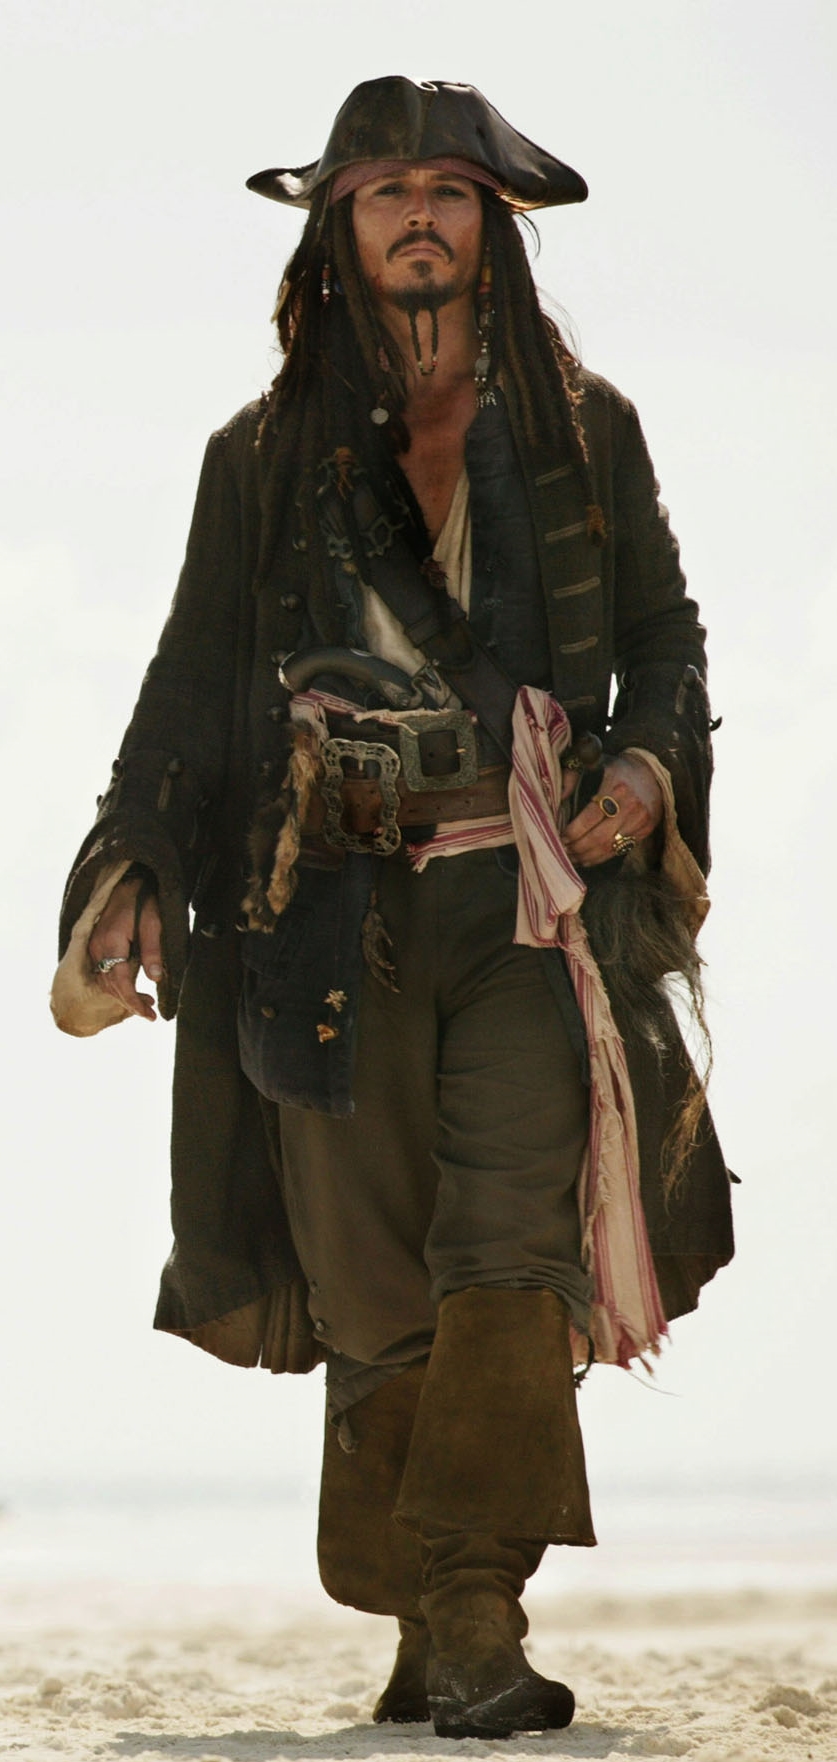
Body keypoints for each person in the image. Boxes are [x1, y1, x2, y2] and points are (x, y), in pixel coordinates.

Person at [53, 77, 734, 1740]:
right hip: (320, 909)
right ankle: (429, 1617)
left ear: (490, 223)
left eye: (446, 189)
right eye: (385, 191)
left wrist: (648, 771)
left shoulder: (586, 431)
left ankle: (479, 1618)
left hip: (525, 900)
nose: (417, 215)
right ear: (339, 227)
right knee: (370, 1288)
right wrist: (127, 863)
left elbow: (667, 643)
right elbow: (189, 683)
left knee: (508, 1254)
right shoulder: (259, 457)